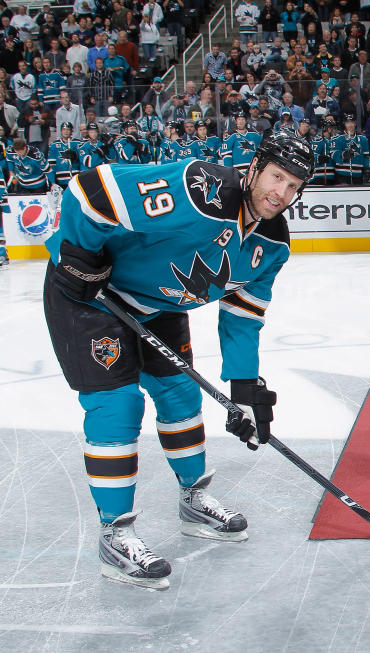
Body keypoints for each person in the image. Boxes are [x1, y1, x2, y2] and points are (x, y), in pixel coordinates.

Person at [42, 131, 315, 590]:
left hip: (158, 305)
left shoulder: (273, 244)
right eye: (276, 177)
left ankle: (194, 501)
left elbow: (243, 318)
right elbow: (92, 189)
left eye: (293, 187)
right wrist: (79, 254)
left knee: (180, 393)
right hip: (91, 297)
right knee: (118, 406)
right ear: (253, 169)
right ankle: (115, 534)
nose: (280, 193)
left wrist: (244, 390)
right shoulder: (200, 188)